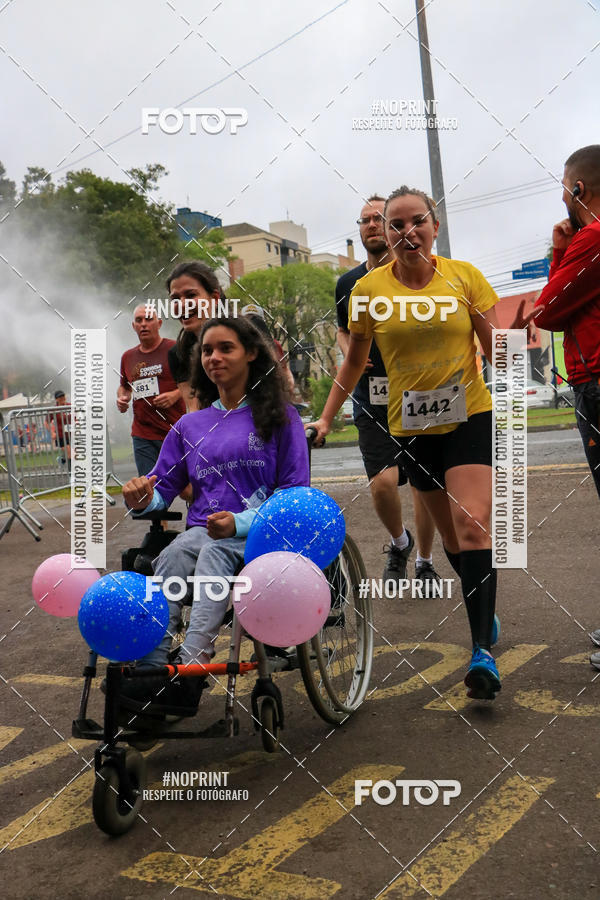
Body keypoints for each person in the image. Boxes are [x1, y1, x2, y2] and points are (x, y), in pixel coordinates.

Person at [309, 185, 502, 700]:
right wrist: (326, 420)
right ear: (387, 235)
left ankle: (481, 649)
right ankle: (484, 605)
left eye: (417, 221)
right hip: (411, 426)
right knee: (457, 544)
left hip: (470, 416)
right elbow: (353, 362)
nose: (406, 231)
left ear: (434, 226)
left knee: (472, 523)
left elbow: (494, 347)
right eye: (396, 225)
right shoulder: (368, 291)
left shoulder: (465, 278)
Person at [117, 316, 310, 716]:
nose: (214, 357)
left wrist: (239, 523)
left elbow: (294, 494)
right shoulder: (190, 425)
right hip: (205, 532)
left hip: (264, 535)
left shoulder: (281, 417)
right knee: (170, 555)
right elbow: (162, 488)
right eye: (207, 350)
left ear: (251, 354)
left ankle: (191, 668)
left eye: (226, 348)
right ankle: (153, 666)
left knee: (214, 553)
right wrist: (141, 497)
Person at [510, 145, 600, 669]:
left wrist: (559, 248)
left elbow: (546, 309)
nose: (561, 196)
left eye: (564, 186)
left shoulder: (591, 238)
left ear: (578, 191)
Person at [336, 194, 439, 585]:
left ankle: (425, 562)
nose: (372, 225)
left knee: (423, 485)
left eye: (380, 219)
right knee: (382, 482)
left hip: (418, 396)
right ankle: (400, 543)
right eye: (364, 220)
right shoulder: (348, 283)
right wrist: (353, 356)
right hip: (371, 399)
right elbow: (343, 332)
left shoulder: (415, 274)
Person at [117, 305, 186, 476]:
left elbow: (194, 383)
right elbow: (124, 386)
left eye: (148, 319)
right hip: (143, 434)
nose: (143, 324)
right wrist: (122, 398)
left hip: (175, 431)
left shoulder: (175, 349)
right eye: (139, 321)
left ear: (159, 323)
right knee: (149, 489)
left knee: (188, 489)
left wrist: (175, 395)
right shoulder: (128, 357)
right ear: (134, 326)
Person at [167, 261, 223, 412]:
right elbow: (195, 409)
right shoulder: (178, 354)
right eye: (175, 299)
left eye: (191, 295)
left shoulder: (247, 335)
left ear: (215, 298)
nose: (183, 304)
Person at [53, 390, 71, 469]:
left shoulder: (70, 406)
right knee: (71, 454)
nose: (62, 398)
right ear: (56, 399)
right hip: (61, 436)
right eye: (60, 397)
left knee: (73, 454)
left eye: (63, 396)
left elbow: (77, 416)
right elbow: (47, 423)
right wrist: (52, 432)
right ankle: (73, 476)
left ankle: (62, 459)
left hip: (72, 434)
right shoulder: (54, 409)